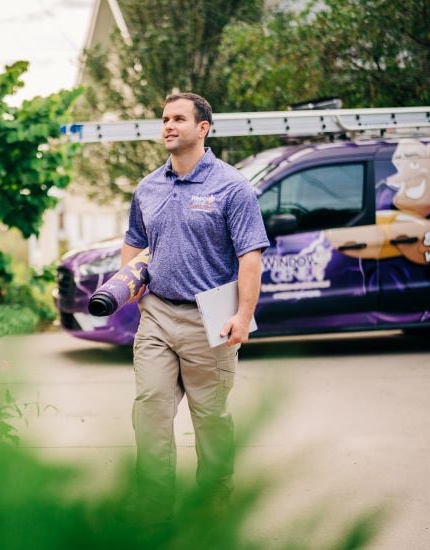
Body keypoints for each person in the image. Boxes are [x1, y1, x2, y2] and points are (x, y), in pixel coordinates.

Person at [122, 92, 269, 519]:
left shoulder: (232, 186)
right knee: (149, 407)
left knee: (211, 419)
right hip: (158, 313)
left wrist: (242, 315)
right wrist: (130, 291)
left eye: (179, 119)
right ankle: (153, 505)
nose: (168, 125)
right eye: (165, 119)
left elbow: (250, 257)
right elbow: (133, 243)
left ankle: (214, 504)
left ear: (202, 128)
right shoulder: (148, 187)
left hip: (213, 315)